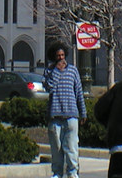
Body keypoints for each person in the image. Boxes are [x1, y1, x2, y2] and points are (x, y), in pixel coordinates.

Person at [43, 41, 86, 178]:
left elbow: (79, 93)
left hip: (71, 116)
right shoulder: (49, 71)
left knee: (72, 148)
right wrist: (57, 71)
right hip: (55, 117)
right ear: (54, 57)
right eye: (58, 56)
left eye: (62, 55)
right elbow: (49, 87)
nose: (61, 58)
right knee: (56, 150)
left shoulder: (73, 71)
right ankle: (57, 173)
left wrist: (83, 112)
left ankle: (72, 173)